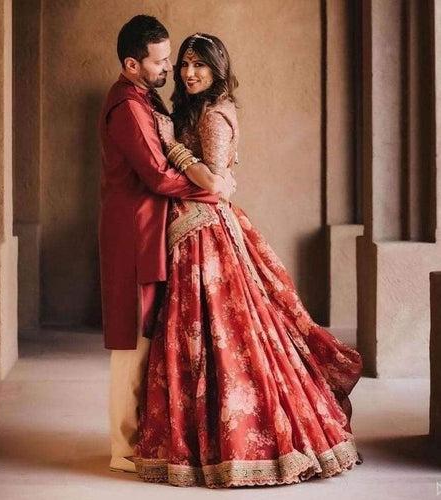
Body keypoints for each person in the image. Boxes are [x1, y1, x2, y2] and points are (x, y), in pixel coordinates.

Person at [134, 33, 363, 488]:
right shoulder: (192, 109)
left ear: (218, 70)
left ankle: (247, 444)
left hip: (207, 237)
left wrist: (170, 146)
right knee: (201, 340)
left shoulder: (216, 115)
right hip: (191, 230)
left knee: (225, 337)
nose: (189, 73)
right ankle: (208, 442)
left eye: (199, 65)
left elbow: (215, 183)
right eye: (184, 64)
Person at [97, 18, 236, 473]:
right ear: (132, 64)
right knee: (131, 341)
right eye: (161, 62)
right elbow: (157, 175)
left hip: (150, 229)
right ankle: (123, 448)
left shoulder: (145, 96)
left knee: (147, 336)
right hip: (135, 233)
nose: (171, 71)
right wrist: (213, 188)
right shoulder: (128, 107)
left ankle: (144, 438)